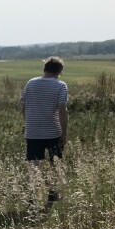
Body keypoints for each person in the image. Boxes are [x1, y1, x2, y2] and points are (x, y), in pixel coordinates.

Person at [21, 57, 68, 202]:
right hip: (53, 131)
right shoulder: (61, 86)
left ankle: (33, 196)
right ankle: (53, 194)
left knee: (33, 164)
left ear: (45, 69)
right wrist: (64, 133)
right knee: (55, 162)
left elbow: (23, 106)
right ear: (59, 71)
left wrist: (29, 123)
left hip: (32, 130)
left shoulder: (31, 83)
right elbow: (62, 111)